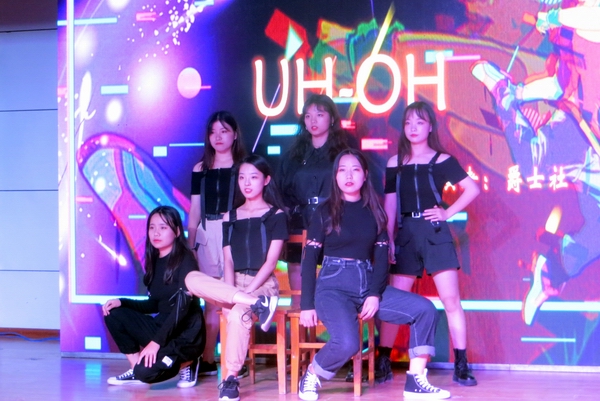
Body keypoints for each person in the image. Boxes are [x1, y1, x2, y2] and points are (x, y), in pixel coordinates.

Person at [298, 148, 450, 401]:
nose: (349, 176)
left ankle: (415, 381)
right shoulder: (324, 211)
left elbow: (381, 261)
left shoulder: (375, 212)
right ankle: (312, 375)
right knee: (347, 343)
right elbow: (309, 259)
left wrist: (373, 295)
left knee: (425, 310)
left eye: (355, 170)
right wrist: (306, 305)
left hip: (368, 283)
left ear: (365, 174)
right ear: (335, 176)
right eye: (342, 170)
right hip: (332, 287)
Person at [380, 101, 480, 386]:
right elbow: (390, 204)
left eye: (420, 122)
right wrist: (388, 238)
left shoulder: (443, 160)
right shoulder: (394, 163)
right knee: (394, 302)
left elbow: (472, 189)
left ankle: (461, 364)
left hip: (435, 233)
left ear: (430, 127)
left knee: (451, 301)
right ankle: (383, 360)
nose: (413, 128)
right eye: (408, 122)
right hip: (405, 234)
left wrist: (447, 213)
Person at [185, 154, 288, 401]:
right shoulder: (229, 216)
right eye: (242, 178)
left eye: (253, 177)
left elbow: (270, 263)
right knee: (191, 279)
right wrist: (232, 293)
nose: (247, 183)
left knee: (238, 312)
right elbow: (228, 260)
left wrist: (246, 294)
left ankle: (230, 379)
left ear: (266, 180)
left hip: (262, 285)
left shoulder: (277, 215)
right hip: (232, 284)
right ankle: (256, 305)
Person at [103, 206, 205, 388]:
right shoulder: (155, 259)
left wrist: (156, 343)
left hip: (185, 334)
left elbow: (182, 309)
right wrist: (121, 302)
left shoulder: (186, 260)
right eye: (152, 227)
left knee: (147, 373)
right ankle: (135, 368)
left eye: (163, 227)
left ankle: (189, 362)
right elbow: (154, 304)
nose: (156, 233)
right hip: (163, 327)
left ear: (177, 232)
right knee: (113, 313)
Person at [187, 110, 247, 376]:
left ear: (235, 135)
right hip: (207, 235)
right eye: (213, 132)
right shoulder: (200, 169)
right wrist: (191, 245)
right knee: (211, 301)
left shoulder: (244, 167)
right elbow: (194, 210)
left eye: (224, 131)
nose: (218, 137)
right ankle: (208, 358)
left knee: (237, 297)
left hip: (236, 232)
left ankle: (237, 363)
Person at [277, 94, 351, 307]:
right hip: (299, 222)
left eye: (319, 114)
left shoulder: (343, 154)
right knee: (299, 295)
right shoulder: (293, 155)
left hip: (334, 220)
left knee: (333, 293)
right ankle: (298, 326)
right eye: (308, 116)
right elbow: (282, 192)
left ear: (332, 119)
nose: (313, 120)